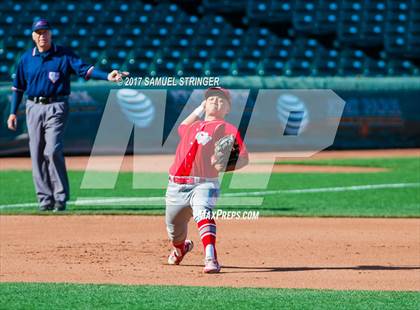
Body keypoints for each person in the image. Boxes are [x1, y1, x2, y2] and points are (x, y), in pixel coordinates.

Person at [6, 18, 128, 212]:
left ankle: (60, 197)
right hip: (33, 107)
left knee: (52, 150)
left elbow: (84, 69)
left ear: (51, 34)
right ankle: (45, 200)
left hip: (57, 106)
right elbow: (17, 87)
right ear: (33, 36)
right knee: (37, 153)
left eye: (45, 32)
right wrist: (12, 112)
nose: (42, 35)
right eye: (38, 32)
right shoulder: (26, 59)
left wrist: (106, 75)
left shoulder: (63, 55)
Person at [165, 87, 249, 273]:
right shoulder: (194, 126)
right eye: (211, 99)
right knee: (174, 231)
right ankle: (181, 248)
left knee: (203, 214)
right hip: (176, 186)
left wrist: (226, 166)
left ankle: (211, 258)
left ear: (228, 109)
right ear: (205, 103)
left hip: (205, 183)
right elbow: (181, 127)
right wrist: (198, 110)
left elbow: (244, 158)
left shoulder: (227, 128)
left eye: (221, 101)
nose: (215, 102)